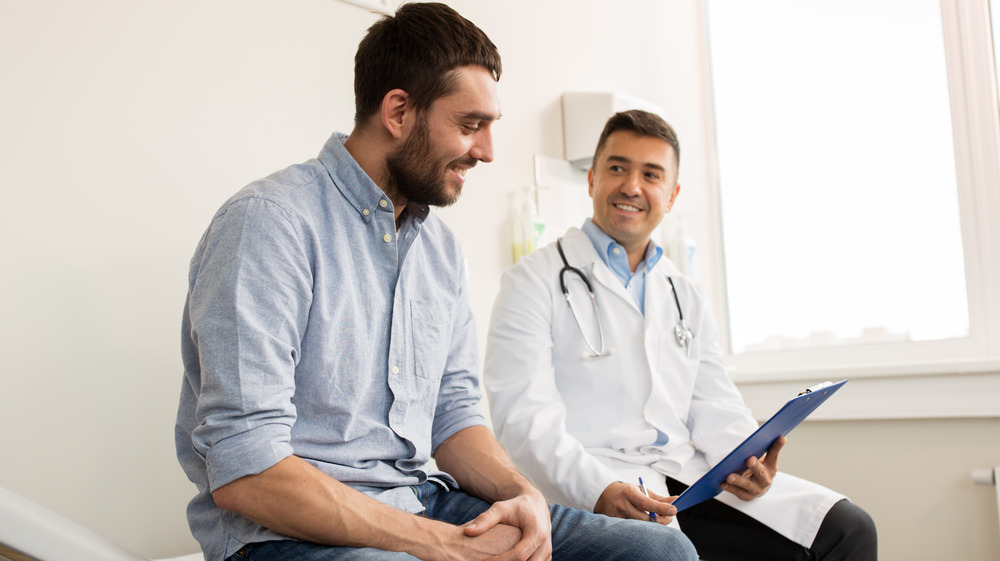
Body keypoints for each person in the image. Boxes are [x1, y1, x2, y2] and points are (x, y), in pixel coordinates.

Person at [175, 5, 698, 561]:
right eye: (471, 126)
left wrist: (521, 494)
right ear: (398, 111)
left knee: (659, 553)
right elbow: (245, 468)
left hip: (420, 500)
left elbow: (453, 416)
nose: (487, 152)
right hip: (283, 535)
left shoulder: (440, 251)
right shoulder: (270, 223)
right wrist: (444, 546)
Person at [483, 110, 878, 561]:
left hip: (688, 480)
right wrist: (599, 488)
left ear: (671, 195)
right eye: (617, 168)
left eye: (650, 174)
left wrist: (749, 461)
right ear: (591, 179)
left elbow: (714, 403)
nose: (632, 186)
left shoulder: (683, 290)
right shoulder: (531, 281)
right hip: (594, 485)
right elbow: (523, 421)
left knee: (848, 529)